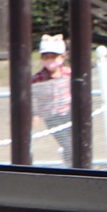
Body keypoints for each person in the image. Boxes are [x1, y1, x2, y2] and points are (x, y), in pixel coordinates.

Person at [32, 34, 73, 165]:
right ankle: (71, 165)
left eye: (53, 56)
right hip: (52, 116)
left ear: (63, 57)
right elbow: (32, 98)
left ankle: (74, 164)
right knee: (66, 142)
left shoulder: (70, 74)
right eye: (46, 56)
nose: (49, 60)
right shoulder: (37, 78)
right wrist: (35, 115)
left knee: (74, 142)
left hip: (69, 113)